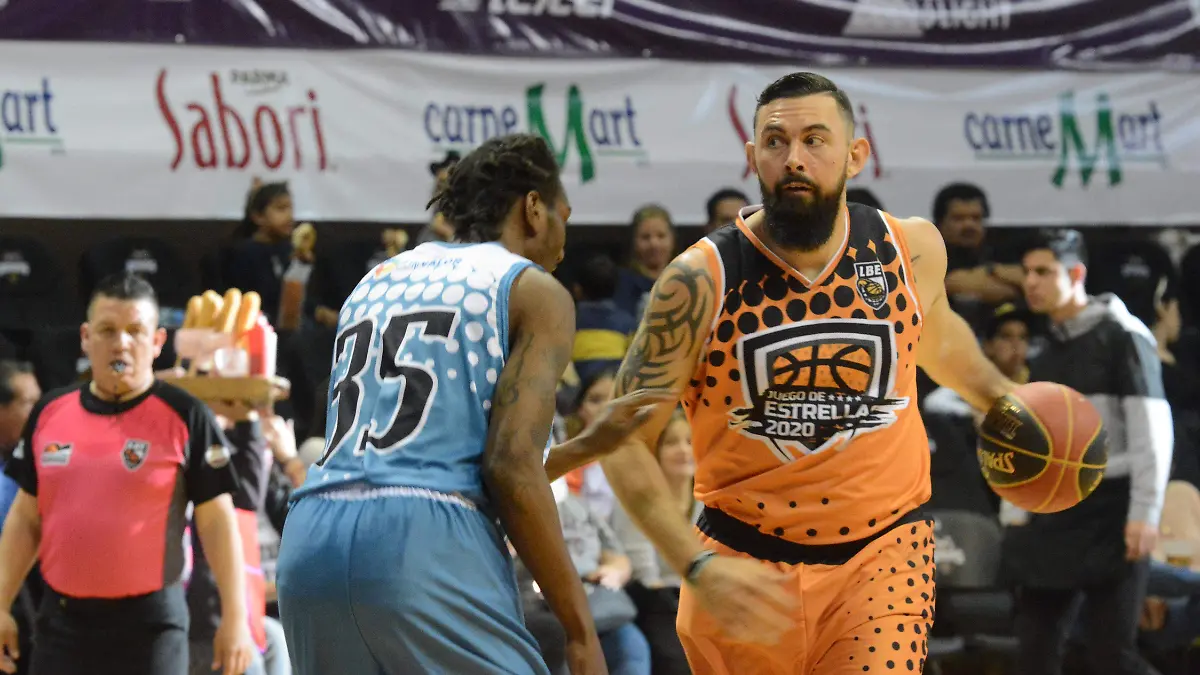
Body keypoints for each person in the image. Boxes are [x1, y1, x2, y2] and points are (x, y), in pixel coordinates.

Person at [599, 72, 1017, 674]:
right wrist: (693, 562)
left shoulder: (908, 249)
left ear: (855, 154)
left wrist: (1002, 396)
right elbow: (622, 441)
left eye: (815, 140)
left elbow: (938, 337)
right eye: (776, 142)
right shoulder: (699, 280)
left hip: (883, 555)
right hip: (742, 563)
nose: (794, 158)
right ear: (753, 158)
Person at [275, 133, 672, 675]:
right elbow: (508, 469)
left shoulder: (375, 280)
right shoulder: (531, 288)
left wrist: (585, 447)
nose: (564, 242)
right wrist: (580, 630)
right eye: (564, 217)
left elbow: (421, 463)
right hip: (422, 543)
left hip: (311, 538)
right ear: (534, 208)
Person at [0, 273, 257, 675]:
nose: (121, 343)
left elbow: (218, 523)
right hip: (62, 626)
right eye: (107, 330)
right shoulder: (50, 413)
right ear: (86, 338)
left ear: (157, 342)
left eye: (135, 331)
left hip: (151, 630)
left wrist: (236, 618)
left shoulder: (186, 415)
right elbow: (25, 518)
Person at [1005, 229, 1172, 675]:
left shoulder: (1123, 335)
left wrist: (1145, 513)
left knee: (1111, 655)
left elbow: (1153, 430)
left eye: (1044, 272)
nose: (1031, 282)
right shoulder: (1046, 345)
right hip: (1054, 509)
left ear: (1076, 274)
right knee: (1034, 652)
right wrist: (1016, 509)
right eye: (1027, 272)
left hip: (1112, 509)